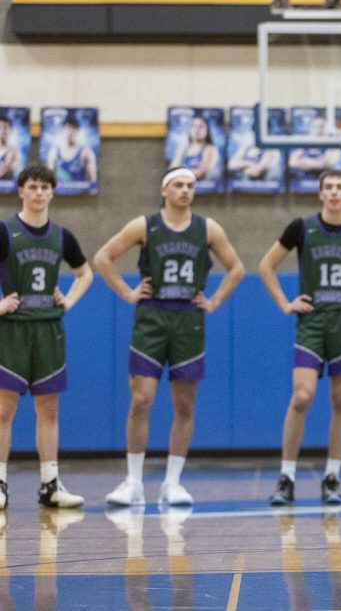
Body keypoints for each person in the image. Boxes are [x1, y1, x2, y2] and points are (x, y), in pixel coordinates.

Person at [94, 167, 244, 506]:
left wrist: (215, 300)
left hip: (189, 320)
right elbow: (103, 257)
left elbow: (237, 268)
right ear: (164, 190)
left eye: (190, 185)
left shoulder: (208, 229)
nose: (185, 190)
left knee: (185, 403)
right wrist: (127, 292)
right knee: (140, 399)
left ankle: (172, 484)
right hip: (151, 317)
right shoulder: (144, 226)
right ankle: (133, 482)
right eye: (179, 185)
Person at [258, 170, 341, 506]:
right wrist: (285, 302)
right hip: (311, 323)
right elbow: (266, 266)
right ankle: (286, 477)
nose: (334, 193)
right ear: (320, 194)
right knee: (302, 395)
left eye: (340, 187)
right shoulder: (300, 228)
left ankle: (332, 477)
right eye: (328, 187)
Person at [0, 162, 92, 509]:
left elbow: (86, 274)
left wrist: (68, 300)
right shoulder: (5, 231)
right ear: (21, 191)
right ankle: (0, 483)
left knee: (48, 409)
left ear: (53, 192)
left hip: (49, 328)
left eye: (44, 187)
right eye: (33, 187)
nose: (39, 193)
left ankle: (50, 485)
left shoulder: (63, 236)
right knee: (4, 409)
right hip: (13, 329)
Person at [46, 115, 97, 185]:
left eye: (73, 129)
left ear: (78, 131)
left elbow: (93, 180)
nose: (70, 133)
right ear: (62, 131)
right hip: (59, 193)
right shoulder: (54, 152)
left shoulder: (86, 153)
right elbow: (48, 181)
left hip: (80, 194)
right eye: (67, 129)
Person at [170, 115, 220, 182]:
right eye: (193, 126)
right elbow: (172, 170)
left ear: (207, 130)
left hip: (204, 186)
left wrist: (180, 172)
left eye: (201, 126)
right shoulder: (183, 149)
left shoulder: (210, 149)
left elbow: (201, 172)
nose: (197, 129)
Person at [0, 114, 21, 180]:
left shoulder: (14, 152)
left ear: (10, 130)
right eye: (0, 127)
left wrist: (8, 165)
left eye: (5, 127)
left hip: (7, 186)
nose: (3, 131)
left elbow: (13, 169)